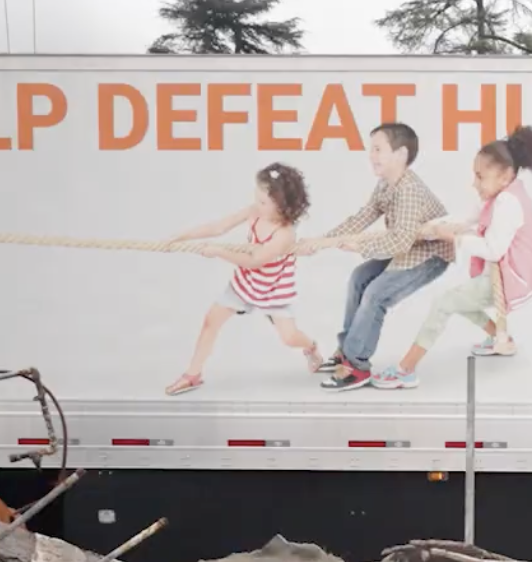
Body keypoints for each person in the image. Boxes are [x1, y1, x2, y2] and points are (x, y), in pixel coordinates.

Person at [373, 127, 532, 390]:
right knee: (458, 301)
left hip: (515, 275)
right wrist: (431, 227)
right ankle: (500, 337)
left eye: (480, 177)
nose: (474, 184)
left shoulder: (508, 203)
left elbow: (493, 250)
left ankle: (405, 369)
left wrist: (453, 238)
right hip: (506, 268)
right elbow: (465, 220)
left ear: (505, 176)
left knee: (444, 303)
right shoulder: (498, 194)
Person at [309, 123, 451, 392]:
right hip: (407, 247)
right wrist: (325, 240)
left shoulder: (409, 189)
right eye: (370, 149)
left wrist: (360, 248)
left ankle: (356, 366)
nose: (371, 155)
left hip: (430, 255)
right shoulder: (386, 182)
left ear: (401, 154)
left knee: (375, 294)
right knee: (359, 277)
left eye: (378, 149)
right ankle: (347, 351)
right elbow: (365, 215)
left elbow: (401, 240)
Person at [163, 163, 321, 396]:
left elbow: (255, 260)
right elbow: (219, 227)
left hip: (273, 287)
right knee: (211, 322)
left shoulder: (285, 234)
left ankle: (311, 347)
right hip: (246, 283)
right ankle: (193, 375)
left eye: (263, 202)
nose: (257, 205)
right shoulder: (255, 211)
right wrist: (182, 236)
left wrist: (217, 252)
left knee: (289, 338)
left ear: (282, 205)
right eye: (256, 199)